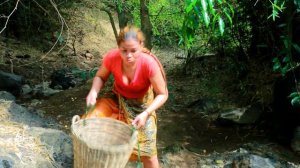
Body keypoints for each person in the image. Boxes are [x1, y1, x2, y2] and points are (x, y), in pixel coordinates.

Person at [82, 25, 168, 168]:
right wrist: (93, 92)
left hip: (143, 106)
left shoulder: (149, 64)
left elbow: (163, 94)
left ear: (141, 46)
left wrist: (146, 113)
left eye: (133, 51)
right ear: (118, 47)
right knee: (92, 122)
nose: (129, 55)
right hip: (118, 98)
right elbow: (100, 77)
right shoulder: (112, 57)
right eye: (124, 51)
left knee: (148, 153)